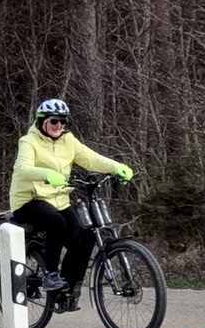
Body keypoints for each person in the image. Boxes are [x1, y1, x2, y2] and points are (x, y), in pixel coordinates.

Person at [8, 98, 135, 310]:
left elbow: (91, 159)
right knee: (56, 222)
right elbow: (23, 168)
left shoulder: (69, 141)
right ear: (41, 122)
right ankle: (50, 274)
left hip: (58, 200)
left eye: (63, 122)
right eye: (54, 121)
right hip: (29, 200)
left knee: (84, 236)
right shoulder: (28, 142)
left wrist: (116, 166)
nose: (59, 126)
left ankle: (64, 289)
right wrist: (48, 174)